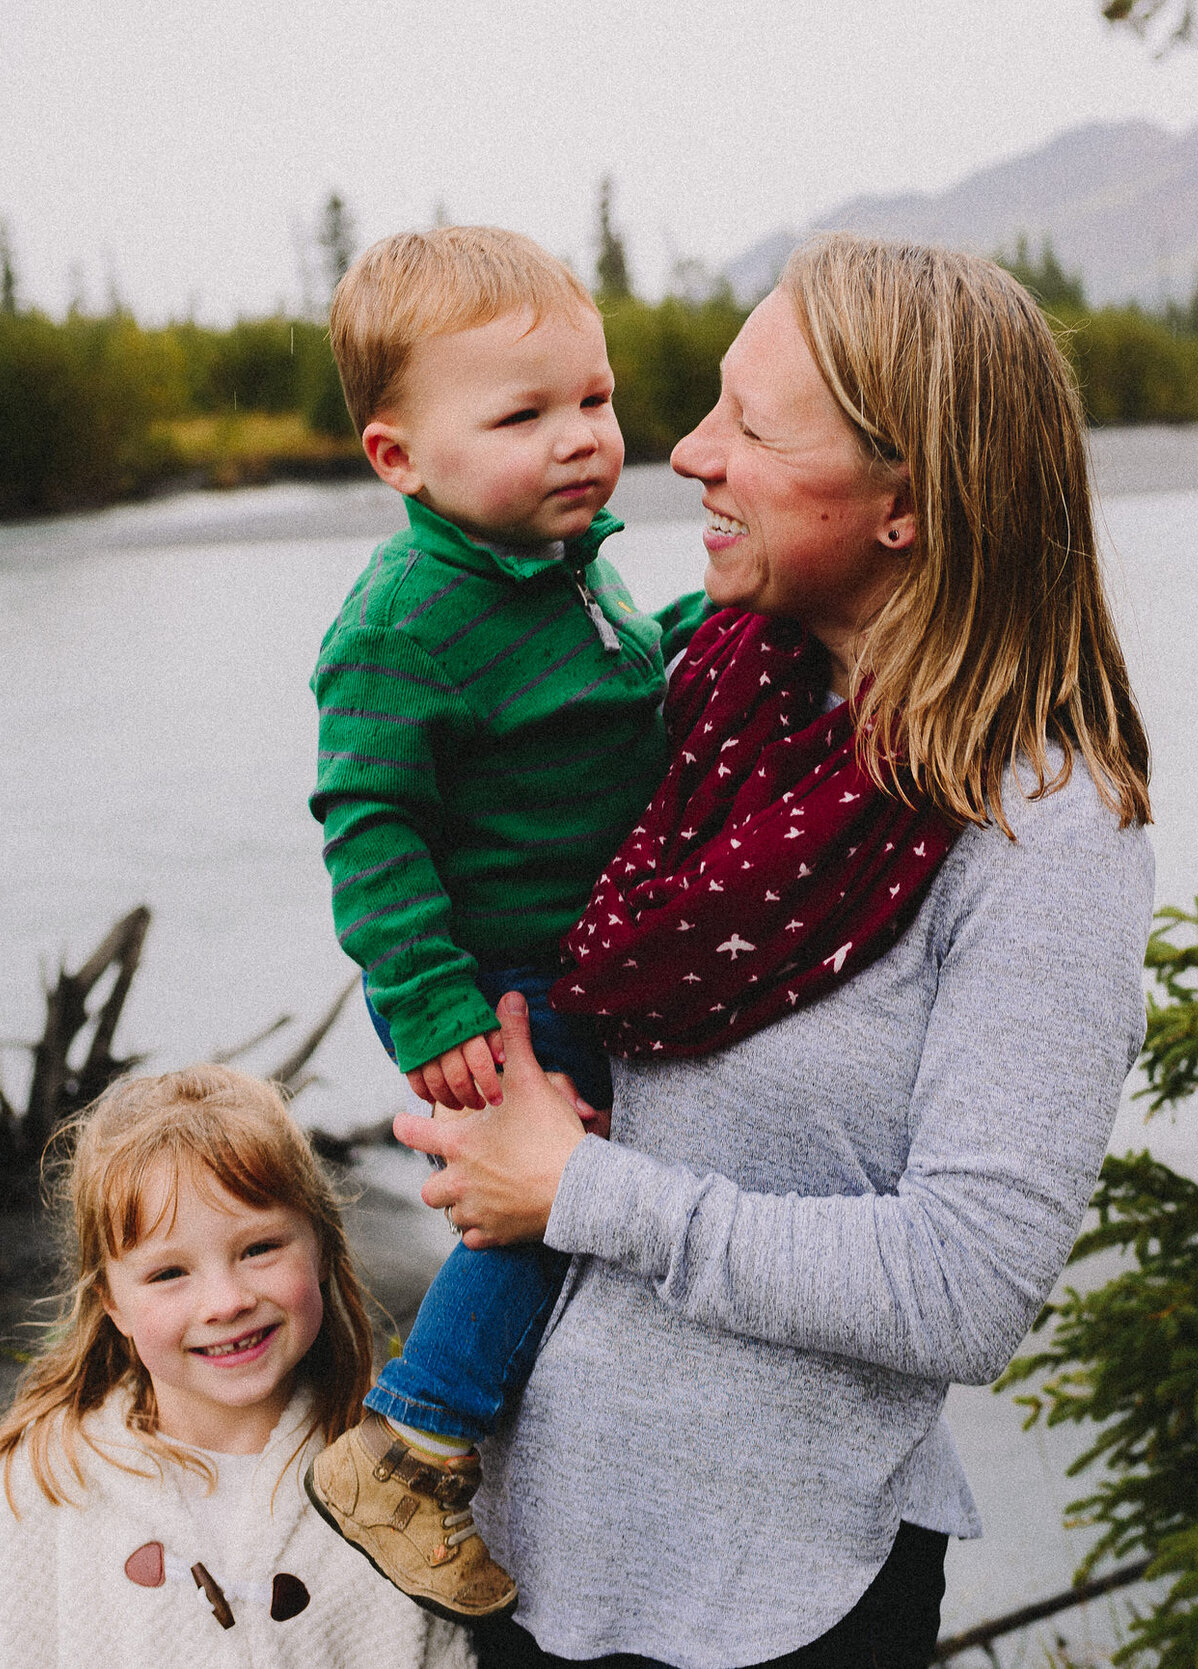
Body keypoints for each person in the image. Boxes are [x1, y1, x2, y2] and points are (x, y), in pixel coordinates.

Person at [397, 234, 1159, 1669]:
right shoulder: (699, 694)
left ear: (907, 506)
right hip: (529, 1556)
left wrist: (584, 1191)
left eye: (750, 424)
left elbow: (966, 1285)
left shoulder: (1044, 831)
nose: (687, 453)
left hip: (780, 1603)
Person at [300, 225, 707, 1621]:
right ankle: (415, 1437)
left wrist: (741, 615)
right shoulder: (407, 621)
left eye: (592, 400)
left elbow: (626, 690)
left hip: (590, 950)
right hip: (511, 982)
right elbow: (369, 824)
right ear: (398, 457)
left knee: (586, 1189)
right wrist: (433, 1006)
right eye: (523, 415)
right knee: (549, 1188)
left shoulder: (567, 567)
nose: (581, 439)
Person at [0, 1066, 471, 1669]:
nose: (226, 1302)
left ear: (323, 1247)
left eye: (259, 1249)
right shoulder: (44, 1483)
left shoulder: (396, 1482)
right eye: (170, 1273)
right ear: (112, 1302)